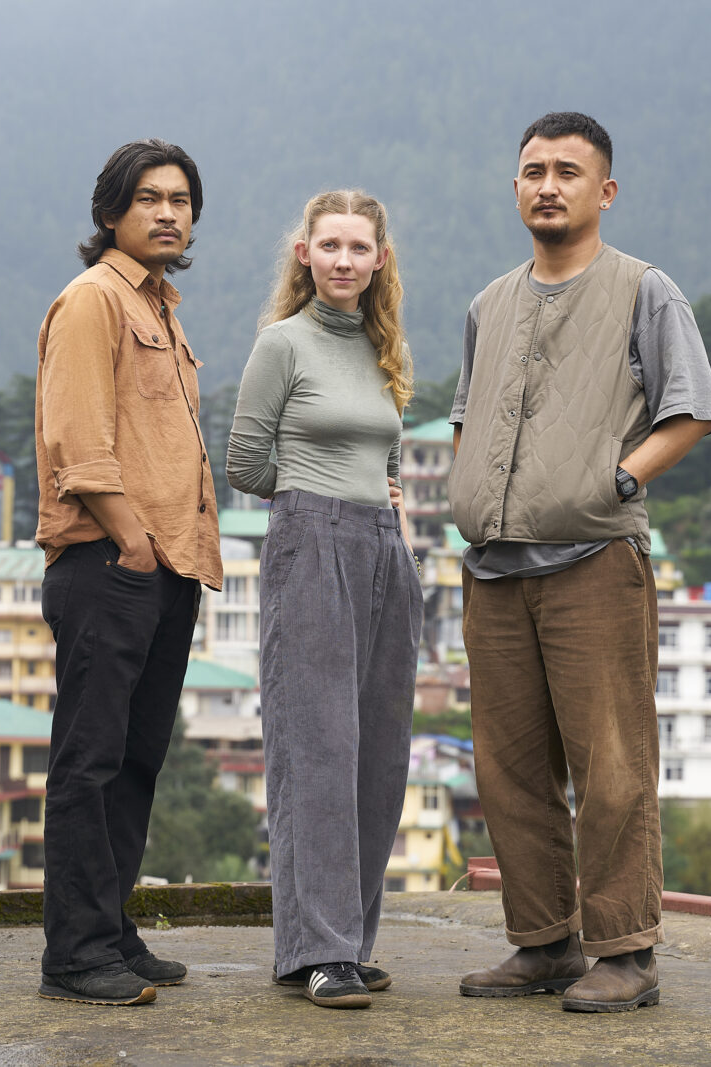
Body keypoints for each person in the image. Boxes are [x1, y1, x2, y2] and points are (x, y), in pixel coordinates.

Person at [448, 112, 711, 1013]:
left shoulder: (646, 290)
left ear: (604, 190)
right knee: (509, 765)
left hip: (595, 557)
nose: (548, 185)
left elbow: (691, 410)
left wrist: (616, 476)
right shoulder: (489, 304)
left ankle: (628, 950)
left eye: (568, 171)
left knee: (611, 761)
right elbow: (466, 418)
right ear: (515, 185)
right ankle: (542, 941)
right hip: (494, 568)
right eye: (533, 170)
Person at [33, 139, 222, 1007]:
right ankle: (75, 952)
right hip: (110, 561)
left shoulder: (164, 310)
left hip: (163, 565)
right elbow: (79, 440)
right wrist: (133, 541)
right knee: (90, 761)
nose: (167, 212)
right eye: (148, 197)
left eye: (180, 199)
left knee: (138, 758)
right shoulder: (92, 301)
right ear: (110, 212)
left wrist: (164, 553)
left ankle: (112, 931)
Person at [227, 189, 422, 1010]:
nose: (345, 260)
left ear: (380, 259)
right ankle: (319, 949)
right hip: (311, 543)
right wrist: (311, 500)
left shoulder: (385, 349)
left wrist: (373, 507)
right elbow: (243, 460)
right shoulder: (283, 343)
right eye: (330, 245)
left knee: (378, 754)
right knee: (319, 748)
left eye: (359, 247)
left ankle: (347, 942)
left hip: (385, 547)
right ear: (304, 253)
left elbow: (385, 458)